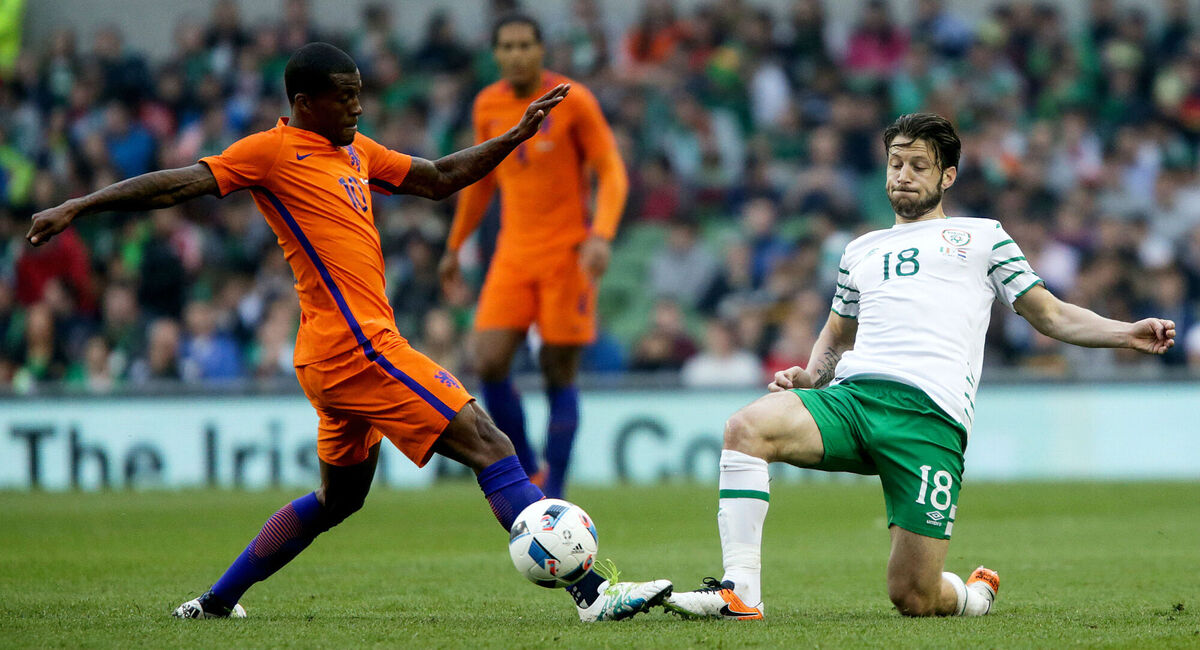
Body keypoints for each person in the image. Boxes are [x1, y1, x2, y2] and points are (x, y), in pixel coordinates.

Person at [26, 42, 669, 622]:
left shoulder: (358, 152)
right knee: (490, 444)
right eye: (345, 96)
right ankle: (593, 595)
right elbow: (179, 185)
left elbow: (439, 178)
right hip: (357, 346)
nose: (358, 106)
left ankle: (215, 602)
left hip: (329, 356)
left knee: (339, 500)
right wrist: (80, 205)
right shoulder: (270, 152)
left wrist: (514, 136)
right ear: (304, 102)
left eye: (360, 93)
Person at [663, 113, 1175, 620]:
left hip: (930, 420)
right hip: (852, 400)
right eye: (895, 164)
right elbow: (838, 333)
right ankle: (741, 593)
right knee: (746, 428)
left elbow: (1051, 314)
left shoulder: (983, 237)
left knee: (914, 596)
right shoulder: (859, 250)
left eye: (918, 166)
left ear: (947, 176)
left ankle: (974, 596)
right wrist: (811, 375)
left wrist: (1124, 333)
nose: (903, 175)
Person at [439, 14, 628, 500]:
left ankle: (555, 492)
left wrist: (602, 234)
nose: (516, 54)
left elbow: (611, 170)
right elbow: (479, 181)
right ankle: (527, 474)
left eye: (525, 44)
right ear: (495, 53)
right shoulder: (488, 104)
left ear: (542, 50)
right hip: (512, 255)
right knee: (488, 361)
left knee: (556, 368)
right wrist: (455, 245)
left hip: (568, 255)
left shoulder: (573, 99)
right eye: (507, 46)